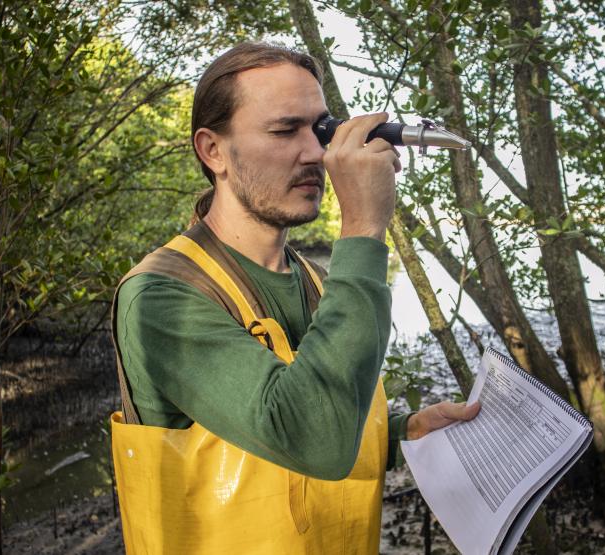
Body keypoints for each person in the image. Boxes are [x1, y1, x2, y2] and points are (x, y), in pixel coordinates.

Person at [109, 42, 480, 554]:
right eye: (285, 131)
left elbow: (295, 420)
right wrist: (364, 226)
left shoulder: (320, 281)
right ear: (212, 150)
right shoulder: (161, 296)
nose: (316, 154)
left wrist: (402, 433)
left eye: (321, 130)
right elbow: (312, 438)